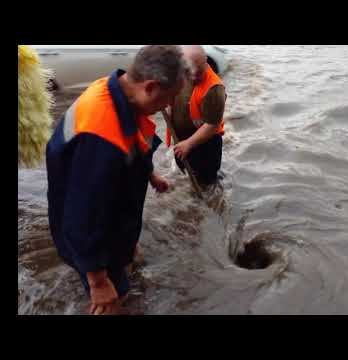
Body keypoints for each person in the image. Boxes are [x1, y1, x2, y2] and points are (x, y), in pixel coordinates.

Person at [46, 45, 187, 315]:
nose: (168, 105)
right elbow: (83, 216)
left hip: (111, 214)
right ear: (150, 86)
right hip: (88, 229)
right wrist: (98, 281)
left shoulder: (115, 88)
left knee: (123, 270)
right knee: (113, 299)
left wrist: (150, 175)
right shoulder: (100, 138)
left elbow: (132, 143)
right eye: (168, 98)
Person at [165, 45, 227, 186]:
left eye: (198, 72)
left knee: (207, 183)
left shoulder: (214, 89)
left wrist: (189, 144)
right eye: (189, 72)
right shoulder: (179, 71)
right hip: (181, 139)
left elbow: (212, 125)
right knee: (186, 175)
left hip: (204, 145)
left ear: (205, 62)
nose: (193, 77)